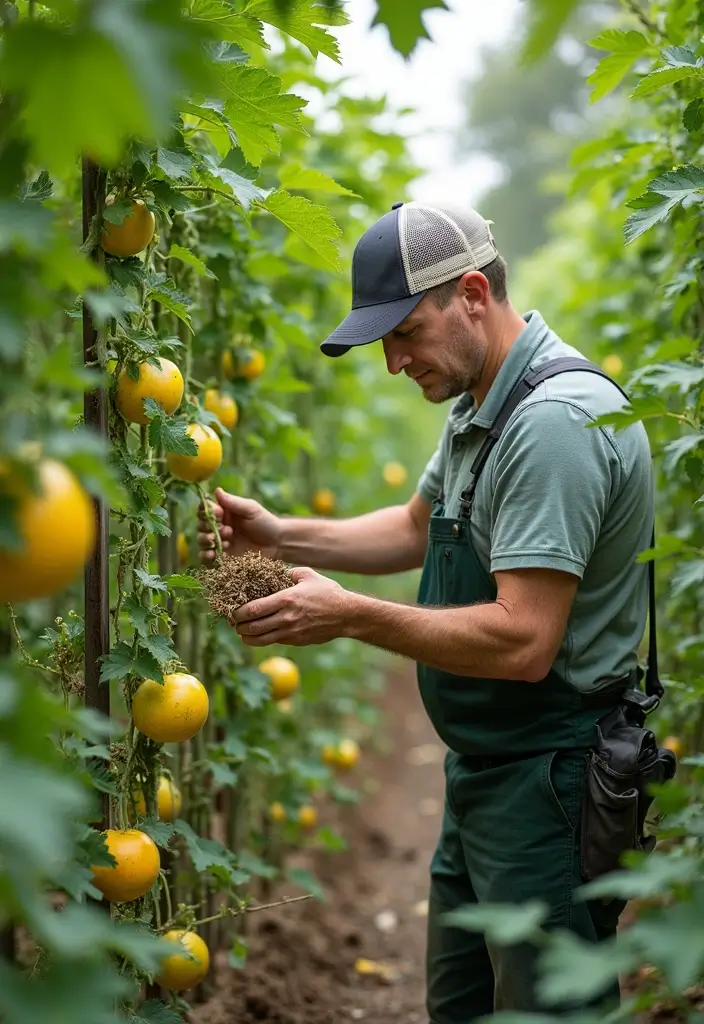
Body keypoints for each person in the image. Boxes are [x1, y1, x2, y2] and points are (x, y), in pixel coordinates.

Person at [197, 201, 653, 1020]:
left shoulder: (554, 425)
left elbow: (523, 641)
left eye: (403, 334)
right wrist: (281, 534)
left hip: (551, 779)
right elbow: (417, 527)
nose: (393, 362)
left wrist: (350, 615)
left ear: (471, 293)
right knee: (464, 1005)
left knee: (545, 1011)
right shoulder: (483, 401)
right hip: (485, 768)